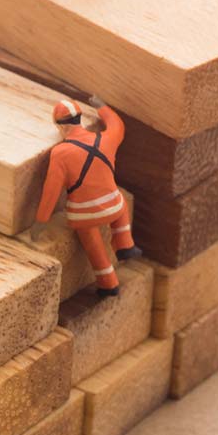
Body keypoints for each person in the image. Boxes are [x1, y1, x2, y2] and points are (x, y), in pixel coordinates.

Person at [36, 100, 141, 296]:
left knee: (94, 248)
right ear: (80, 120)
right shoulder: (105, 140)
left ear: (62, 126)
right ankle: (125, 243)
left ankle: (108, 283)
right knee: (120, 202)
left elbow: (51, 190)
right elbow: (118, 126)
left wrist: (41, 220)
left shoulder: (59, 153)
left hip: (84, 216)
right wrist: (102, 107)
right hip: (113, 205)